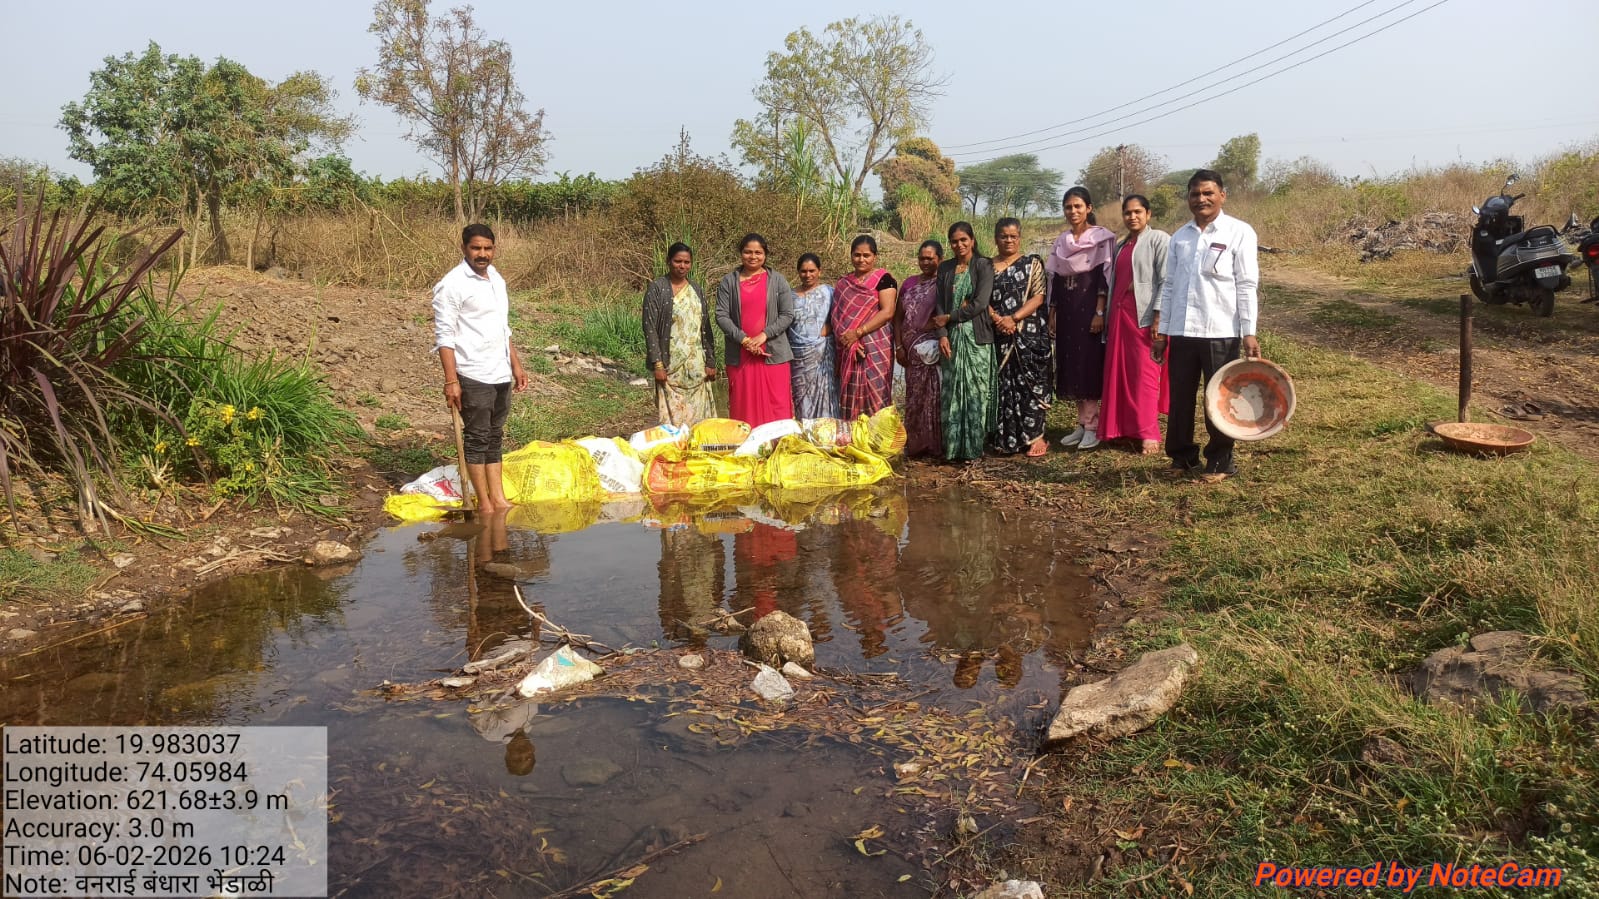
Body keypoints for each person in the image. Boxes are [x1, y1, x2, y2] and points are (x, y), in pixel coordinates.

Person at [1152, 169, 1261, 483]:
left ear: (1222, 195)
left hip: (1220, 331)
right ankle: (1182, 456)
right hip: (1183, 332)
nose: (1201, 199)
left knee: (1219, 397)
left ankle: (1220, 461)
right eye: (1195, 194)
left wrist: (1248, 331)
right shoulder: (1180, 237)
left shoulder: (1238, 232)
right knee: (1180, 397)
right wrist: (1162, 332)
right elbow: (1170, 286)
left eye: (1208, 193)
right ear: (1188, 198)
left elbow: (1246, 284)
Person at [433, 223, 529, 512]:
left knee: (495, 434)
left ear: (494, 249)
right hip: (472, 373)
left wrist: (516, 364)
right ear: (464, 248)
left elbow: (502, 328)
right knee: (477, 437)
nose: (482, 254)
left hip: (499, 370)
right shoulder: (452, 285)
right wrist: (452, 381)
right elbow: (444, 337)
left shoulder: (495, 278)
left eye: (487, 248)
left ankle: (498, 498)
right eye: (476, 248)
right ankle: (485, 503)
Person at [1100, 195, 1172, 454]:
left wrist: (1158, 316)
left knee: (1145, 375)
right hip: (1120, 317)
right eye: (1128, 213)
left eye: (1137, 212)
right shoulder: (1121, 245)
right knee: (1121, 375)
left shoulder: (1159, 240)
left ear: (1148, 214)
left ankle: (1148, 432)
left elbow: (1167, 280)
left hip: (1144, 319)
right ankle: (1122, 429)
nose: (1132, 217)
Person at [1048, 187, 1116, 450]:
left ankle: (1093, 426)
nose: (1073, 211)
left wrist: (1099, 312)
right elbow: (1054, 279)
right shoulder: (1061, 241)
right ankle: (1081, 423)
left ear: (1089, 208)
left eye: (1078, 206)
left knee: (1088, 366)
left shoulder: (1100, 239)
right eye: (1068, 207)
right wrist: (1052, 314)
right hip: (1067, 312)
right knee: (1071, 364)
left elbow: (1103, 278)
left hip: (1089, 311)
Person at [930, 222, 995, 463]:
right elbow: (940, 303)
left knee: (976, 393)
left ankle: (973, 449)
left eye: (963, 240)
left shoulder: (983, 265)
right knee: (952, 392)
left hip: (977, 339)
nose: (959, 245)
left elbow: (980, 303)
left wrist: (951, 316)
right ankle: (954, 448)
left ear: (972, 240)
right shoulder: (946, 268)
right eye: (955, 241)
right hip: (952, 340)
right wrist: (943, 334)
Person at [986, 218, 1052, 457]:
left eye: (1013, 236)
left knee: (1029, 384)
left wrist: (1013, 318)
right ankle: (1006, 435)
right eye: (1004, 236)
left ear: (1020, 237)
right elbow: (981, 299)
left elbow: (1039, 296)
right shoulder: (986, 266)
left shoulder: (1032, 263)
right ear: (996, 238)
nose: (1009, 240)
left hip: (1028, 333)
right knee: (1003, 386)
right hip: (998, 333)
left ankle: (1036, 437)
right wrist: (998, 319)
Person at [716, 233, 796, 427]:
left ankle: (778, 447)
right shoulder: (728, 282)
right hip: (741, 354)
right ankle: (748, 449)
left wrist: (763, 335)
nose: (753, 257)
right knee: (743, 407)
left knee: (777, 406)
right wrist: (745, 341)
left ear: (765, 254)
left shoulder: (777, 281)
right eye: (748, 252)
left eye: (758, 252)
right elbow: (721, 315)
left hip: (772, 354)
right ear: (740, 253)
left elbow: (787, 314)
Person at [642, 242, 717, 427]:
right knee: (673, 417)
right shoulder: (657, 288)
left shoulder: (696, 289)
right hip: (670, 365)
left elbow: (704, 326)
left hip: (696, 365)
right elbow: (649, 327)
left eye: (686, 262)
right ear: (669, 261)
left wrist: (711, 361)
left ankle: (698, 450)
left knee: (699, 418)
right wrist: (657, 364)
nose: (682, 266)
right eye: (678, 261)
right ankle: (676, 450)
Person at [831, 235, 898, 420]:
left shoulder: (884, 279)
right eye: (857, 255)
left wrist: (858, 333)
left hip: (876, 346)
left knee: (877, 392)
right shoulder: (844, 284)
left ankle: (878, 440)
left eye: (866, 255)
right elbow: (837, 318)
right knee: (851, 392)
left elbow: (887, 312)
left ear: (875, 257)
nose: (861, 259)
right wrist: (850, 342)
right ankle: (853, 438)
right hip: (850, 348)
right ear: (851, 256)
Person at [894, 240, 944, 457]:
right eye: (922, 258)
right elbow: (898, 317)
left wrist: (932, 328)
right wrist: (899, 346)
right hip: (910, 352)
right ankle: (914, 444)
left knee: (933, 396)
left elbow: (947, 315)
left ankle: (933, 445)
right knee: (913, 397)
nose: (925, 262)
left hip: (932, 351)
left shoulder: (943, 283)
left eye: (930, 258)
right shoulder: (909, 283)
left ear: (939, 259)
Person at [788, 253, 840, 419]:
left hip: (823, 354)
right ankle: (805, 435)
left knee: (826, 394)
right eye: (803, 271)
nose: (808, 275)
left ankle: (826, 435)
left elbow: (842, 318)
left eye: (812, 270)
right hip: (797, 355)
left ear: (820, 271)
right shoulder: (789, 296)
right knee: (800, 396)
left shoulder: (829, 293)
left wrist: (829, 328)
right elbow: (784, 323)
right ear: (798, 272)